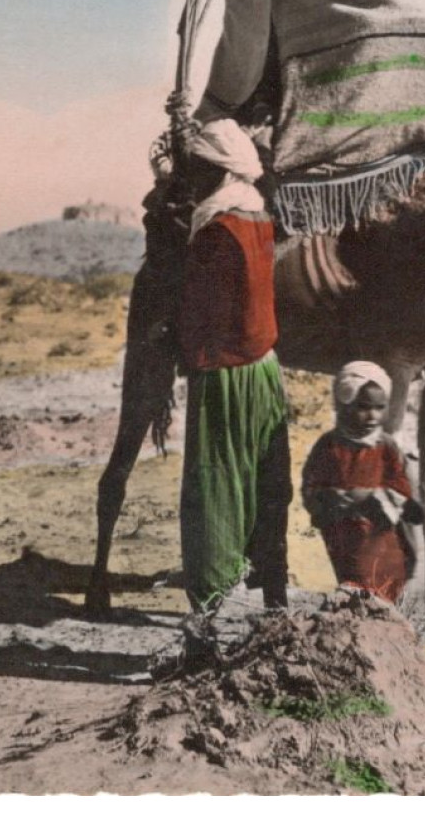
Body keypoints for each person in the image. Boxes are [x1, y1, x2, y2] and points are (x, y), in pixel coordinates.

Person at [176, 119, 291, 618]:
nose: (195, 181)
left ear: (221, 172)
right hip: (266, 373)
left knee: (216, 490)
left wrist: (182, 349)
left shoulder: (217, 231)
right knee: (266, 486)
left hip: (226, 378)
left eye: (202, 171)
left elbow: (203, 316)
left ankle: (209, 620)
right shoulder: (260, 220)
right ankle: (274, 604)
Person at [301, 361, 424, 603]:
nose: (373, 416)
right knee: (354, 586)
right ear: (345, 406)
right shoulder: (330, 446)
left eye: (380, 408)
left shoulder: (386, 445)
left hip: (382, 532)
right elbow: (311, 485)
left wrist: (374, 497)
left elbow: (402, 484)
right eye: (364, 407)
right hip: (343, 533)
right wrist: (333, 498)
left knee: (384, 583)